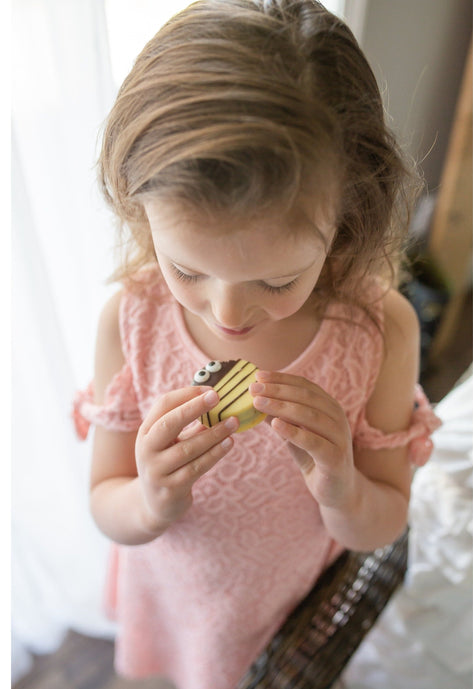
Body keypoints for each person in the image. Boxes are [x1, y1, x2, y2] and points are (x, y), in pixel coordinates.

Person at [73, 1, 441, 687]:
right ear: (139, 207)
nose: (229, 310)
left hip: (281, 605)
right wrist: (151, 497)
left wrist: (340, 484)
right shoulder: (131, 319)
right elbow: (106, 499)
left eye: (276, 278)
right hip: (170, 594)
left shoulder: (379, 331)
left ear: (348, 217)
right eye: (187, 268)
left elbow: (382, 521)